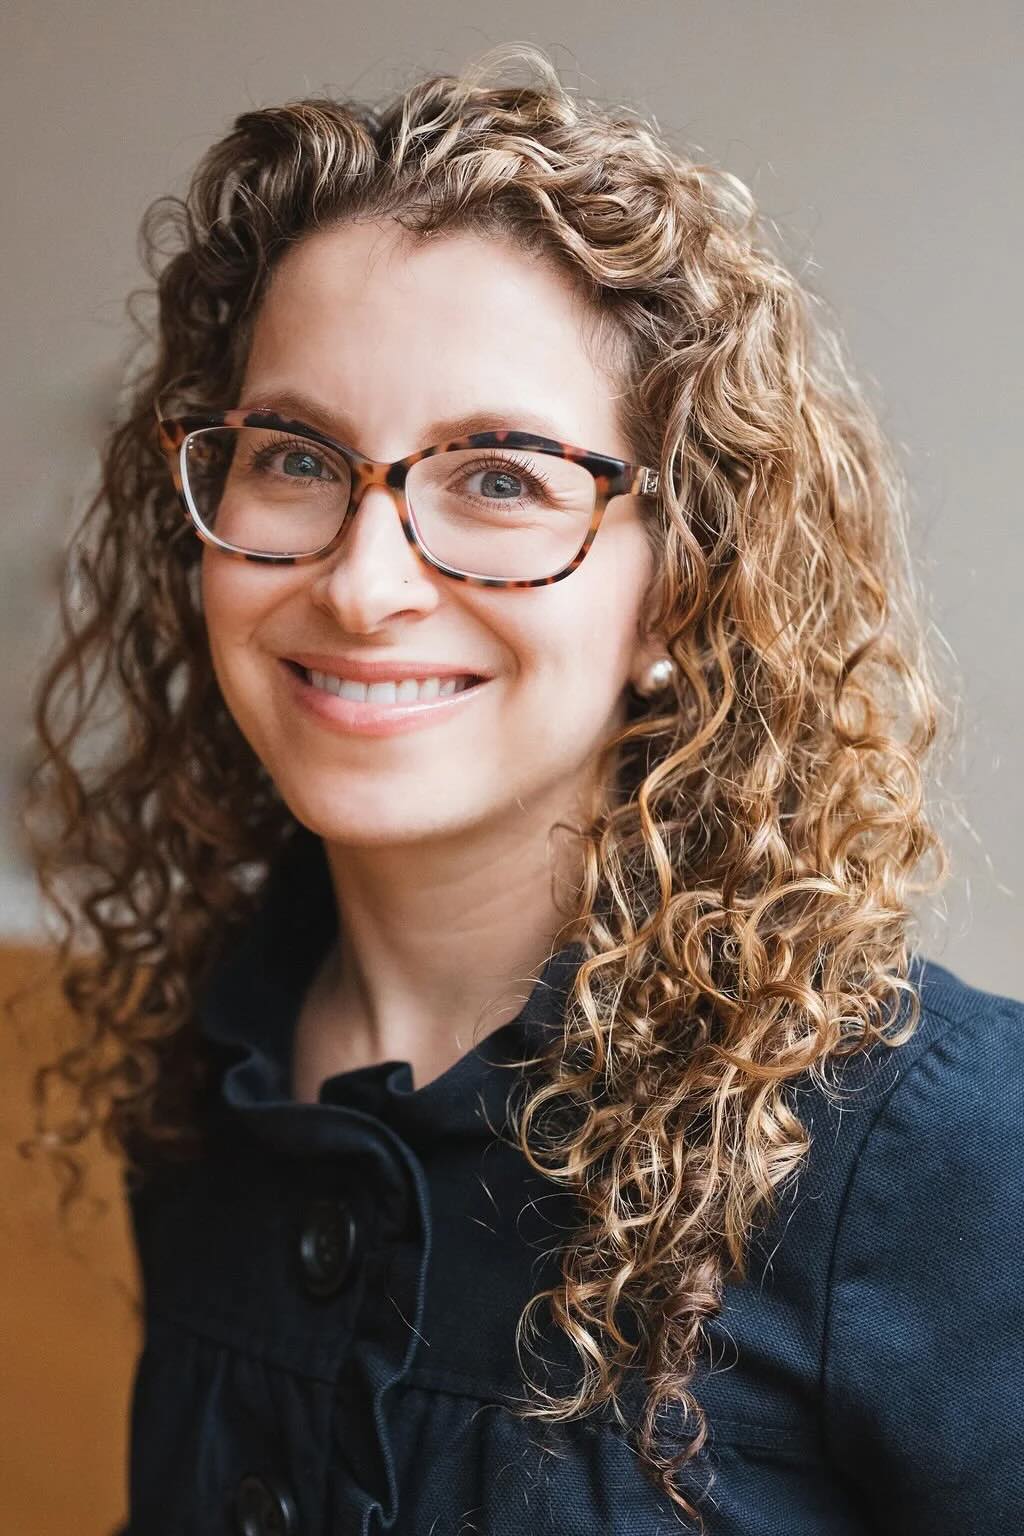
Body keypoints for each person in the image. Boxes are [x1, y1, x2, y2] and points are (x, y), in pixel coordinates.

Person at [20, 41, 1024, 1536]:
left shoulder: (933, 1154)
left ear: (681, 593)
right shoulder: (207, 1072)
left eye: (498, 477)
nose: (365, 588)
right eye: (295, 455)